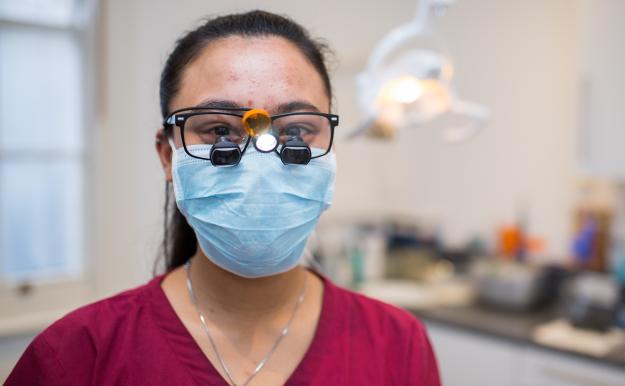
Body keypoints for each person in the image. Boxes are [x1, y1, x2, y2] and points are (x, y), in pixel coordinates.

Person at [6, 10, 441, 386]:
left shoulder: (397, 344)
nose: (261, 162)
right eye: (218, 130)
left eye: (296, 130)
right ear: (167, 156)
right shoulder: (80, 355)